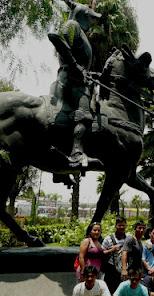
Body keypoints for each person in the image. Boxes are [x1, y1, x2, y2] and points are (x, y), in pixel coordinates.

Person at [48, 0, 101, 169]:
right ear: (84, 16)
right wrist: (75, 66)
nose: (93, 23)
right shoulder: (72, 25)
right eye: (91, 19)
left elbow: (81, 63)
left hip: (79, 78)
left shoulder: (82, 33)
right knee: (84, 112)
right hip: (71, 79)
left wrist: (90, 73)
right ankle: (76, 153)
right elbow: (59, 42)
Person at [102, 216, 130, 294]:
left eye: (123, 225)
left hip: (124, 269)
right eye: (119, 225)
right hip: (111, 269)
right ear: (115, 226)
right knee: (109, 292)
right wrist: (112, 250)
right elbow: (102, 253)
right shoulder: (108, 239)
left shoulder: (129, 238)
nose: (121, 227)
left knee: (123, 292)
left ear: (126, 226)